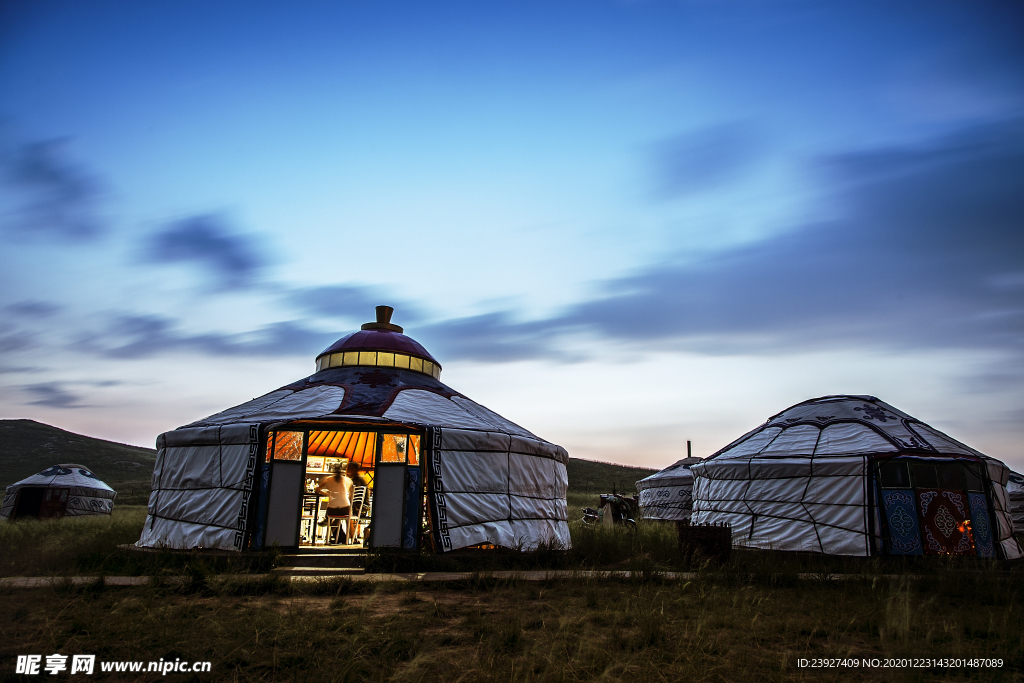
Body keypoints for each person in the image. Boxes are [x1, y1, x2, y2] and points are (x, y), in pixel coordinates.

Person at [319, 463, 353, 544]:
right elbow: (350, 492)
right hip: (345, 508)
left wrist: (327, 494)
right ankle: (351, 537)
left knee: (336, 516)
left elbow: (318, 488)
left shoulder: (329, 479)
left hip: (332, 509)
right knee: (343, 516)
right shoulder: (348, 480)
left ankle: (328, 534)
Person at [347, 462, 368, 541]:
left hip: (359, 507)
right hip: (361, 506)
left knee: (345, 514)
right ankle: (351, 537)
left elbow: (354, 495)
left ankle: (353, 537)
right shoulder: (359, 479)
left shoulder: (356, 480)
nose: (348, 470)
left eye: (349, 468)